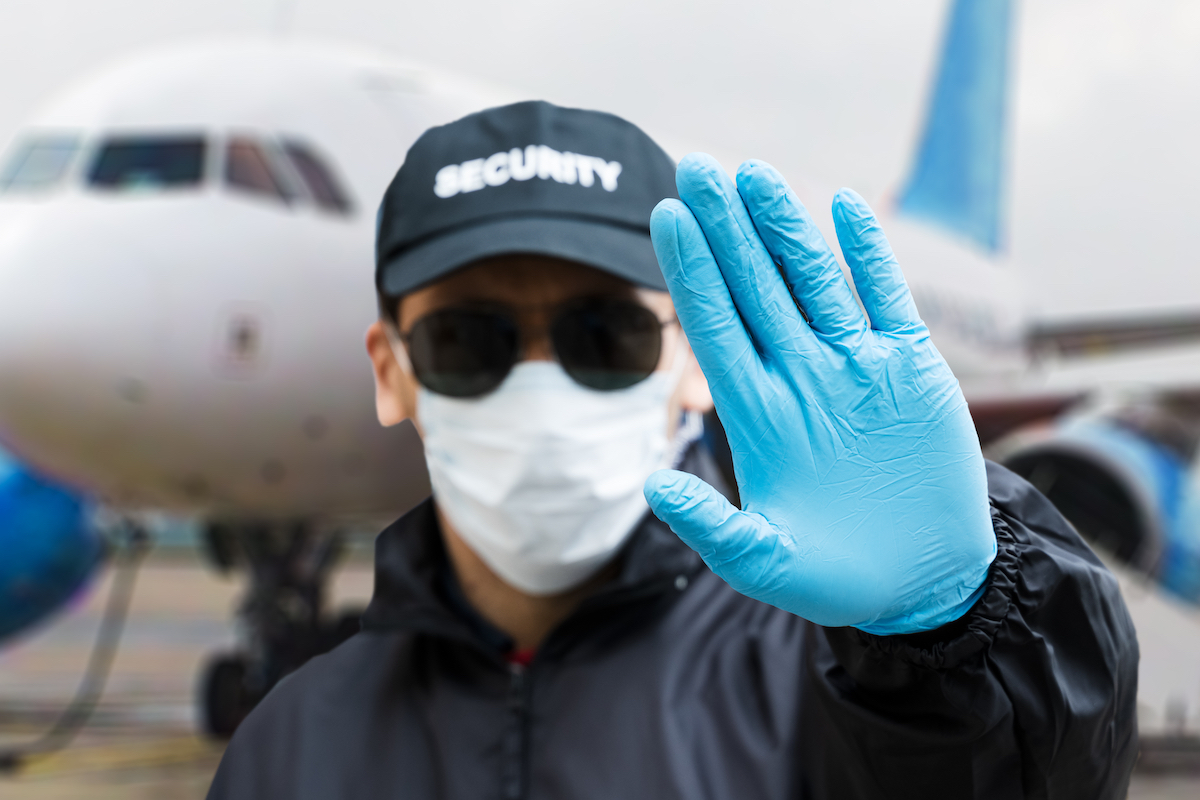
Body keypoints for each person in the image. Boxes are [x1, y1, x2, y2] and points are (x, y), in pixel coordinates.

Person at [206, 101, 1137, 799]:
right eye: (469, 342)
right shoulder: (282, 747)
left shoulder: (842, 685)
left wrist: (955, 630)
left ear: (694, 357)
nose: (542, 387)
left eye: (605, 336)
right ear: (391, 370)